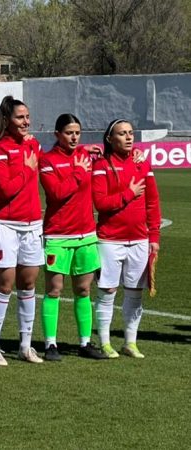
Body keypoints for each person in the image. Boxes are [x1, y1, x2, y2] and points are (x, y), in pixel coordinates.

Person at [38, 114, 106, 361]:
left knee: (84, 289)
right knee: (54, 290)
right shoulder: (47, 161)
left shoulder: (85, 156)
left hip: (86, 235)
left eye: (77, 132)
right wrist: (78, 171)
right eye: (69, 133)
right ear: (57, 134)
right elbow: (57, 193)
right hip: (58, 235)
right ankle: (50, 344)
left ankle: (85, 343)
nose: (74, 137)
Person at [92, 119, 161, 358]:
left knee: (135, 292)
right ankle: (104, 343)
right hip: (109, 240)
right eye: (122, 133)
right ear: (110, 139)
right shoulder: (101, 165)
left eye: (131, 133)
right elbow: (100, 203)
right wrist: (129, 193)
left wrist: (154, 236)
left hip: (140, 239)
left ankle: (130, 342)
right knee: (107, 291)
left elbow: (152, 203)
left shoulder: (142, 163)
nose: (129, 137)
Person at [0, 96, 44, 366]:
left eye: (27, 117)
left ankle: (25, 345)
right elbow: (4, 189)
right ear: (7, 120)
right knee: (4, 286)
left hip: (32, 225)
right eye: (20, 117)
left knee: (29, 285)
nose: (26, 121)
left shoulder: (33, 144)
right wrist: (26, 170)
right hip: (5, 225)